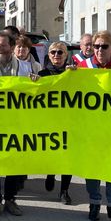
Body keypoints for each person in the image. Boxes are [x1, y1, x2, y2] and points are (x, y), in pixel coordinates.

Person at [0, 33, 37, 218]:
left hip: (16, 122)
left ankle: (10, 199)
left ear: (11, 47)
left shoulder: (27, 67)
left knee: (13, 162)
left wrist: (35, 82)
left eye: (3, 46)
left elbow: (35, 94)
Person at [77, 30, 111, 221]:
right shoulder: (82, 68)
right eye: (96, 46)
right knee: (93, 167)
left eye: (104, 46)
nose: (99, 50)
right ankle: (94, 203)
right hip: (91, 129)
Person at [37, 42, 74, 205]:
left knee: (68, 155)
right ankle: (51, 173)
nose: (57, 55)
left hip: (68, 120)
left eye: (60, 52)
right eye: (53, 52)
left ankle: (64, 190)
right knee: (51, 151)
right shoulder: (42, 73)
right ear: (49, 55)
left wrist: (75, 75)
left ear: (66, 55)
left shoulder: (74, 73)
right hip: (48, 120)